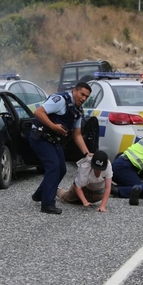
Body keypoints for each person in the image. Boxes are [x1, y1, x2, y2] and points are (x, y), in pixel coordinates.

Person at [30, 82, 92, 214]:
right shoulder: (60, 100)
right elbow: (39, 112)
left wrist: (87, 154)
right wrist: (53, 126)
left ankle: (40, 194)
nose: (83, 99)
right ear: (74, 91)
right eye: (82, 94)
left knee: (62, 169)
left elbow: (77, 134)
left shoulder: (77, 110)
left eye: (87, 97)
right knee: (53, 167)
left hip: (54, 140)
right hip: (40, 137)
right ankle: (47, 204)